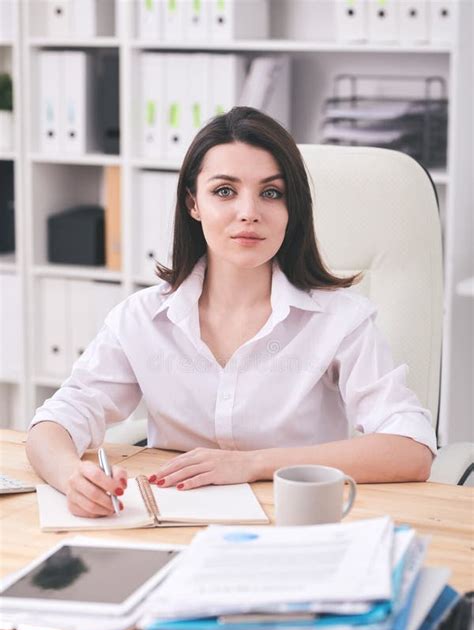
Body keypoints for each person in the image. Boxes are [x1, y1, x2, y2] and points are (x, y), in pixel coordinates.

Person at [26, 107, 436, 519]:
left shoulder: (340, 321)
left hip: (296, 524)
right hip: (174, 528)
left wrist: (252, 463)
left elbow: (411, 449)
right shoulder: (142, 318)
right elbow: (56, 421)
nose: (249, 212)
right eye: (225, 191)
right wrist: (71, 477)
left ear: (292, 209)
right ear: (193, 203)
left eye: (271, 193)